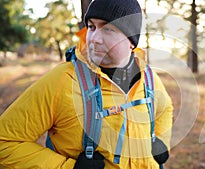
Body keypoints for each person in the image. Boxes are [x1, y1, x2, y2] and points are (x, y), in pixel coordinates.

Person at [0, 0, 173, 168]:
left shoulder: (148, 77)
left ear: (131, 41)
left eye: (108, 29)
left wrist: (160, 140)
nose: (94, 38)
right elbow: (5, 142)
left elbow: (165, 109)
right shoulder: (63, 80)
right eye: (91, 27)